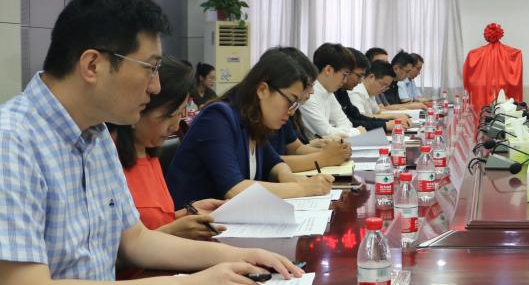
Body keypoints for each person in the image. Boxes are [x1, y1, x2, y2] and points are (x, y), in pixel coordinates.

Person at [0, 0, 299, 285]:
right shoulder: (12, 142)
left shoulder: (96, 135)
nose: (156, 85)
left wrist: (236, 255)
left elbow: (135, 240)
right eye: (150, 68)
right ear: (92, 65)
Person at [166, 49, 335, 207]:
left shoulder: (253, 122)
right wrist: (303, 188)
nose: (291, 112)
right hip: (191, 223)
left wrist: (286, 175)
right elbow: (235, 189)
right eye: (290, 101)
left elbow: (274, 163)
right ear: (262, 90)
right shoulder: (218, 117)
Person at [109, 57, 225, 239]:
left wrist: (187, 214)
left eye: (180, 114)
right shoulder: (106, 157)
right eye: (169, 115)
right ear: (140, 106)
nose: (175, 126)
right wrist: (173, 231)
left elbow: (155, 223)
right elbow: (115, 248)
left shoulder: (149, 153)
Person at [260, 46, 353, 173]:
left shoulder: (283, 109)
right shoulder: (237, 117)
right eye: (308, 85)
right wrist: (324, 157)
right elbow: (268, 162)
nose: (312, 91)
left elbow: (296, 149)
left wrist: (334, 152)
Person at [300, 42, 365, 139]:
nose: (345, 81)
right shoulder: (308, 95)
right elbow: (326, 133)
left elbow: (346, 123)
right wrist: (357, 131)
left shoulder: (328, 92)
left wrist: (340, 131)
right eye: (344, 75)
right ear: (328, 70)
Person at [336, 48, 403, 133]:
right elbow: (352, 122)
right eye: (344, 74)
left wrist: (388, 122)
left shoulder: (342, 91)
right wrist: (387, 124)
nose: (360, 81)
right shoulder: (355, 91)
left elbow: (358, 117)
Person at [350, 60, 412, 126]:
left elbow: (377, 113)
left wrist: (398, 114)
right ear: (371, 77)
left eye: (387, 87)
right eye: (383, 84)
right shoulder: (356, 92)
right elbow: (361, 117)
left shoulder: (371, 93)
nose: (384, 89)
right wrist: (394, 116)